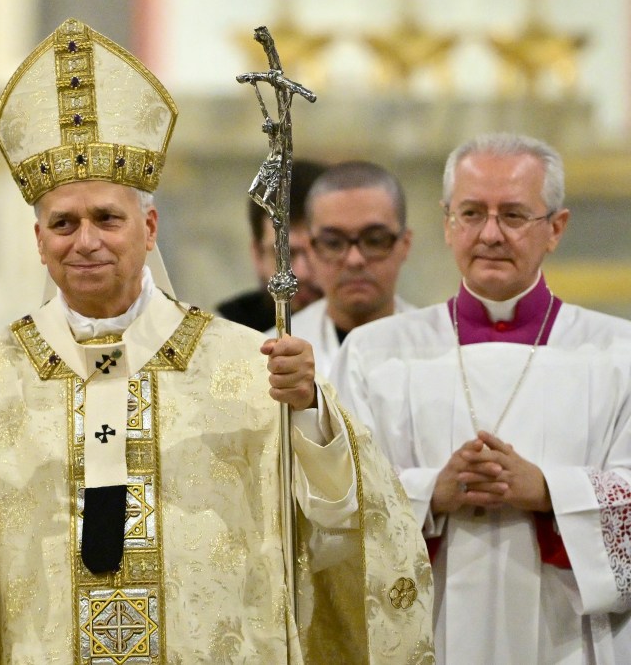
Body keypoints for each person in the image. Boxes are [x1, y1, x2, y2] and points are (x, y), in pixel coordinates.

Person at [0, 18, 432, 663]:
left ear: (148, 228)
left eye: (106, 219)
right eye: (62, 222)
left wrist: (311, 414)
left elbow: (343, 530)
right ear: (39, 242)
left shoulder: (248, 367)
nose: (84, 240)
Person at [330, 132, 631, 663]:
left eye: (514, 215)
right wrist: (432, 494)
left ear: (555, 228)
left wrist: (547, 492)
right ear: (448, 224)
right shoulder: (375, 354)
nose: (490, 233)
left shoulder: (616, 353)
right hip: (427, 633)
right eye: (471, 213)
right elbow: (334, 497)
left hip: (565, 639)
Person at [276, 161, 413, 376]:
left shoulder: (446, 351)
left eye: (375, 240)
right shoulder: (276, 358)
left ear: (405, 244)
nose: (354, 259)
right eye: (333, 243)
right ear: (310, 250)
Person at [216, 160, 326, 331]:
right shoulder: (227, 336)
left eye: (318, 250)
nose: (302, 273)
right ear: (257, 255)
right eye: (284, 256)